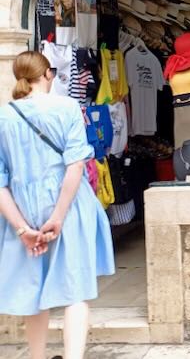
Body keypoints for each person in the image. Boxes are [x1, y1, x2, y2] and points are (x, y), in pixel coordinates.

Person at [0, 51, 114, 359]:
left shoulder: (3, 116)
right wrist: (59, 217)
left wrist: (21, 227)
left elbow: (0, 181)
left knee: (31, 289)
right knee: (75, 287)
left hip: (22, 207)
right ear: (48, 74)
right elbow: (75, 166)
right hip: (68, 203)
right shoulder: (67, 107)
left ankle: (37, 356)